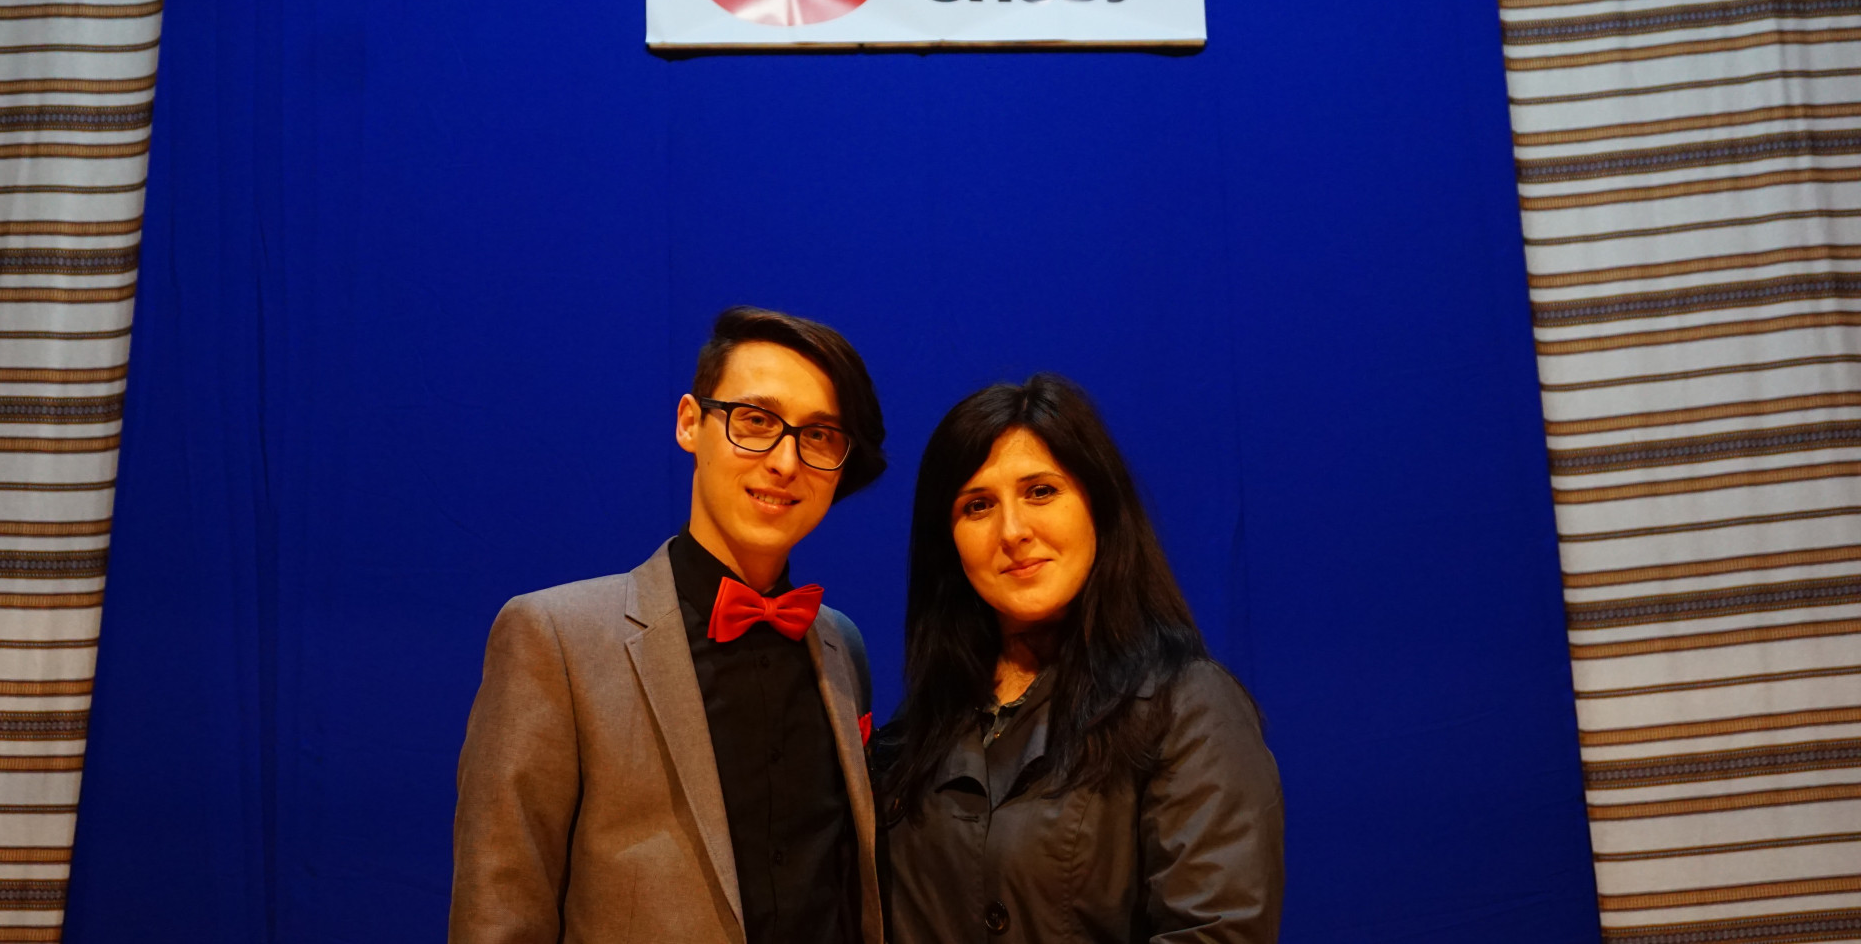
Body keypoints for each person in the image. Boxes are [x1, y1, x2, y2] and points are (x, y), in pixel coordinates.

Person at [450, 306, 888, 944]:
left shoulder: (842, 645)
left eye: (818, 435)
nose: (785, 461)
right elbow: (499, 916)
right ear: (690, 422)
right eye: (756, 421)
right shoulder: (555, 639)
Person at [877, 374, 1283, 944]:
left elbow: (1217, 931)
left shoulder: (1188, 707)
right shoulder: (916, 729)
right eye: (978, 505)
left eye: (1041, 492)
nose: (1013, 531)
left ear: (1099, 505)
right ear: (948, 542)